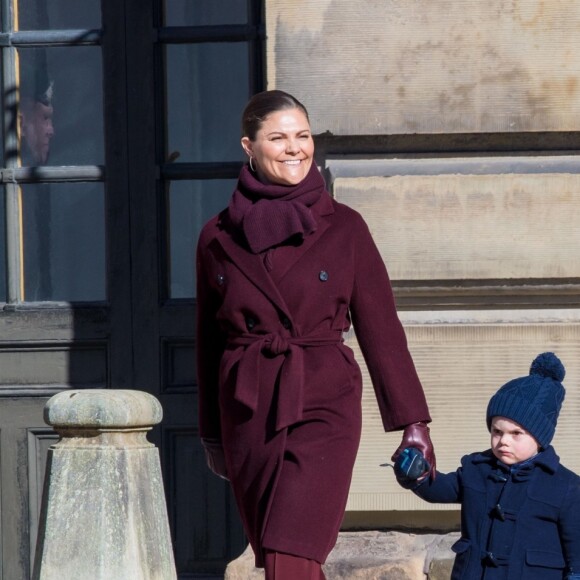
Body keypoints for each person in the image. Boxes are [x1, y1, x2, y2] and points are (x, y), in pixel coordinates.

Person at [196, 89, 436, 579]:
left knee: (292, 549)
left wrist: (414, 423)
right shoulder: (216, 238)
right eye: (278, 137)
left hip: (323, 399)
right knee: (280, 557)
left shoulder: (345, 228)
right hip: (249, 409)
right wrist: (212, 434)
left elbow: (382, 330)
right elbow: (207, 343)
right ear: (249, 146)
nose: (294, 148)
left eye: (302, 136)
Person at [395, 352, 580, 579]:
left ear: (540, 437)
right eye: (497, 431)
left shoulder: (566, 486)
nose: (503, 441)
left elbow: (576, 546)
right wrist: (416, 474)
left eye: (516, 434)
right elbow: (440, 489)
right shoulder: (477, 469)